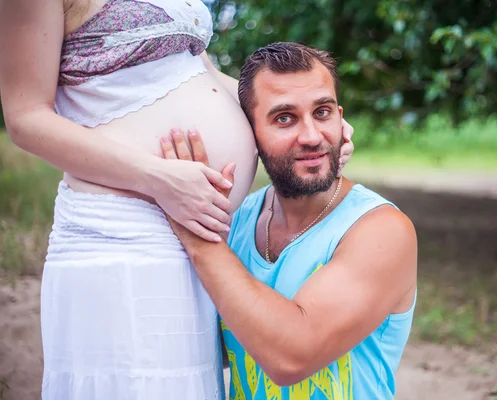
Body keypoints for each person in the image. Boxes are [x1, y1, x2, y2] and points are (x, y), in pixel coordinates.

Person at [0, 1, 354, 399]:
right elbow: (25, 118)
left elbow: (196, 75)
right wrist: (157, 179)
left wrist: (310, 132)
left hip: (199, 235)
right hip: (123, 238)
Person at [160, 42, 418, 399]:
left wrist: (197, 235)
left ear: (341, 118)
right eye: (285, 118)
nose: (312, 136)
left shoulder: (381, 230)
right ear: (249, 133)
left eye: (323, 112)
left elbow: (291, 358)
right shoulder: (237, 221)